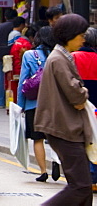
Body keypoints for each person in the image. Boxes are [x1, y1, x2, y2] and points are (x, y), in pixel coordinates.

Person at [35, 13, 91, 204]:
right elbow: (75, 94)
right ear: (70, 34)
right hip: (64, 128)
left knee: (83, 187)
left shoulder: (61, 56)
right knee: (81, 185)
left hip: (66, 127)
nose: (84, 39)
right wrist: (83, 91)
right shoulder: (59, 59)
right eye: (81, 35)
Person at [19, 26, 58, 182]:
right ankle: (56, 161)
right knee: (56, 137)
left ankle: (43, 171)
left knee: (38, 139)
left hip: (33, 104)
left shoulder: (29, 55)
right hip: (54, 104)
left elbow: (23, 81)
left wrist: (20, 105)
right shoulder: (58, 56)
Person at [72, 27, 97, 191]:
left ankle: (85, 176)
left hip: (78, 106)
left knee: (80, 141)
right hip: (96, 107)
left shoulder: (72, 58)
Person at [0, 8, 18, 108]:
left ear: (5, 16)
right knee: (13, 78)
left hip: (2, 55)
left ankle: (1, 101)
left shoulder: (0, 27)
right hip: (15, 54)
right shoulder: (17, 27)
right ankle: (13, 101)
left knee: (2, 78)